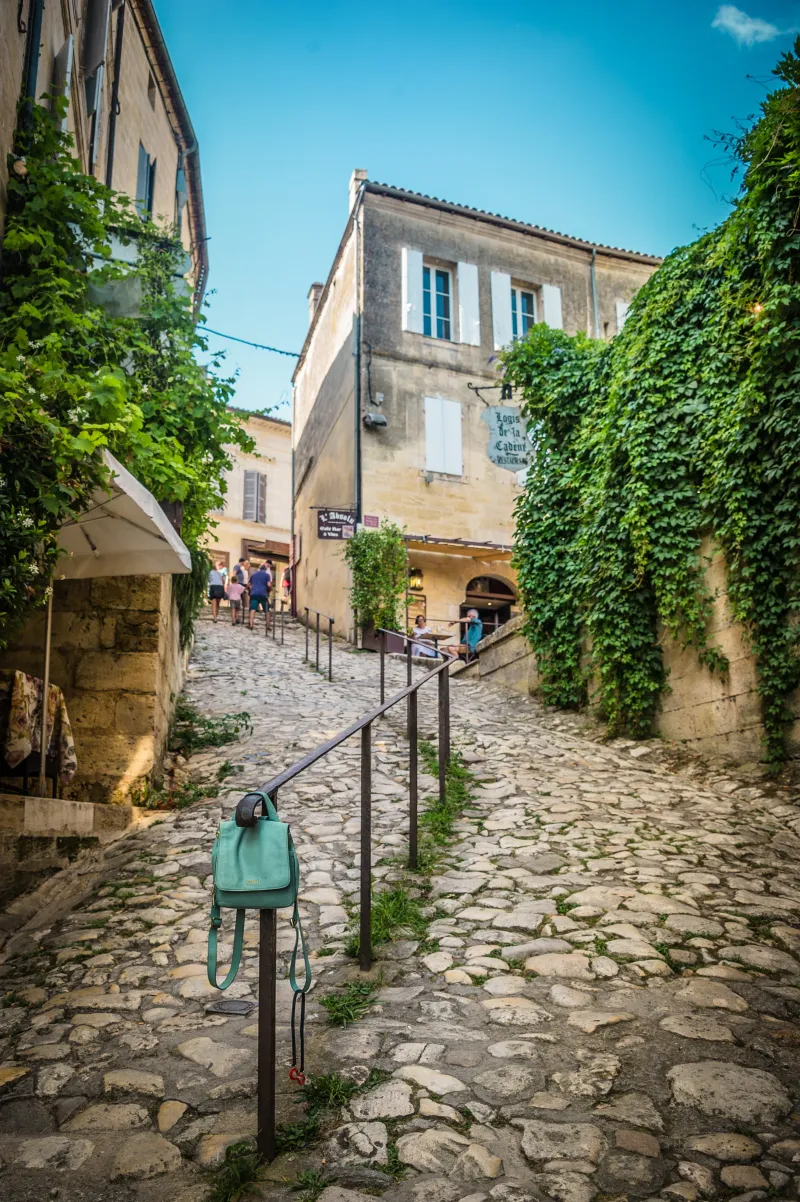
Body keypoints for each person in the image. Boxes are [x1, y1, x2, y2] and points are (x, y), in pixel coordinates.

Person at [248, 561, 271, 630]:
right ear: (265, 569)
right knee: (267, 610)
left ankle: (251, 625)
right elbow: (269, 585)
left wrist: (249, 590)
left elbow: (248, 585)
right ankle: (268, 626)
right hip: (263, 594)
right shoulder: (267, 575)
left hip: (254, 594)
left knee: (252, 609)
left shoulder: (253, 575)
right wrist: (269, 590)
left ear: (259, 569)